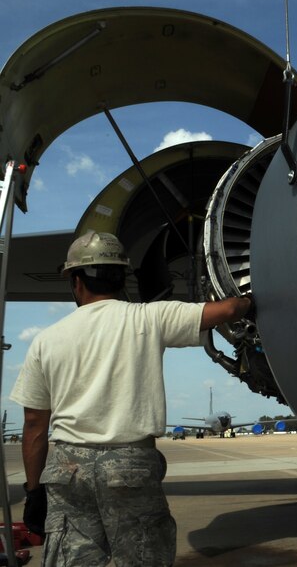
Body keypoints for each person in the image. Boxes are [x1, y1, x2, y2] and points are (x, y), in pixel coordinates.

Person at [10, 231, 254, 566]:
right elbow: (227, 310)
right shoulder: (148, 317)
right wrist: (248, 299)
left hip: (67, 469)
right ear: (122, 277)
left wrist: (34, 492)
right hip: (129, 466)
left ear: (76, 281)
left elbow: (35, 425)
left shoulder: (46, 341)